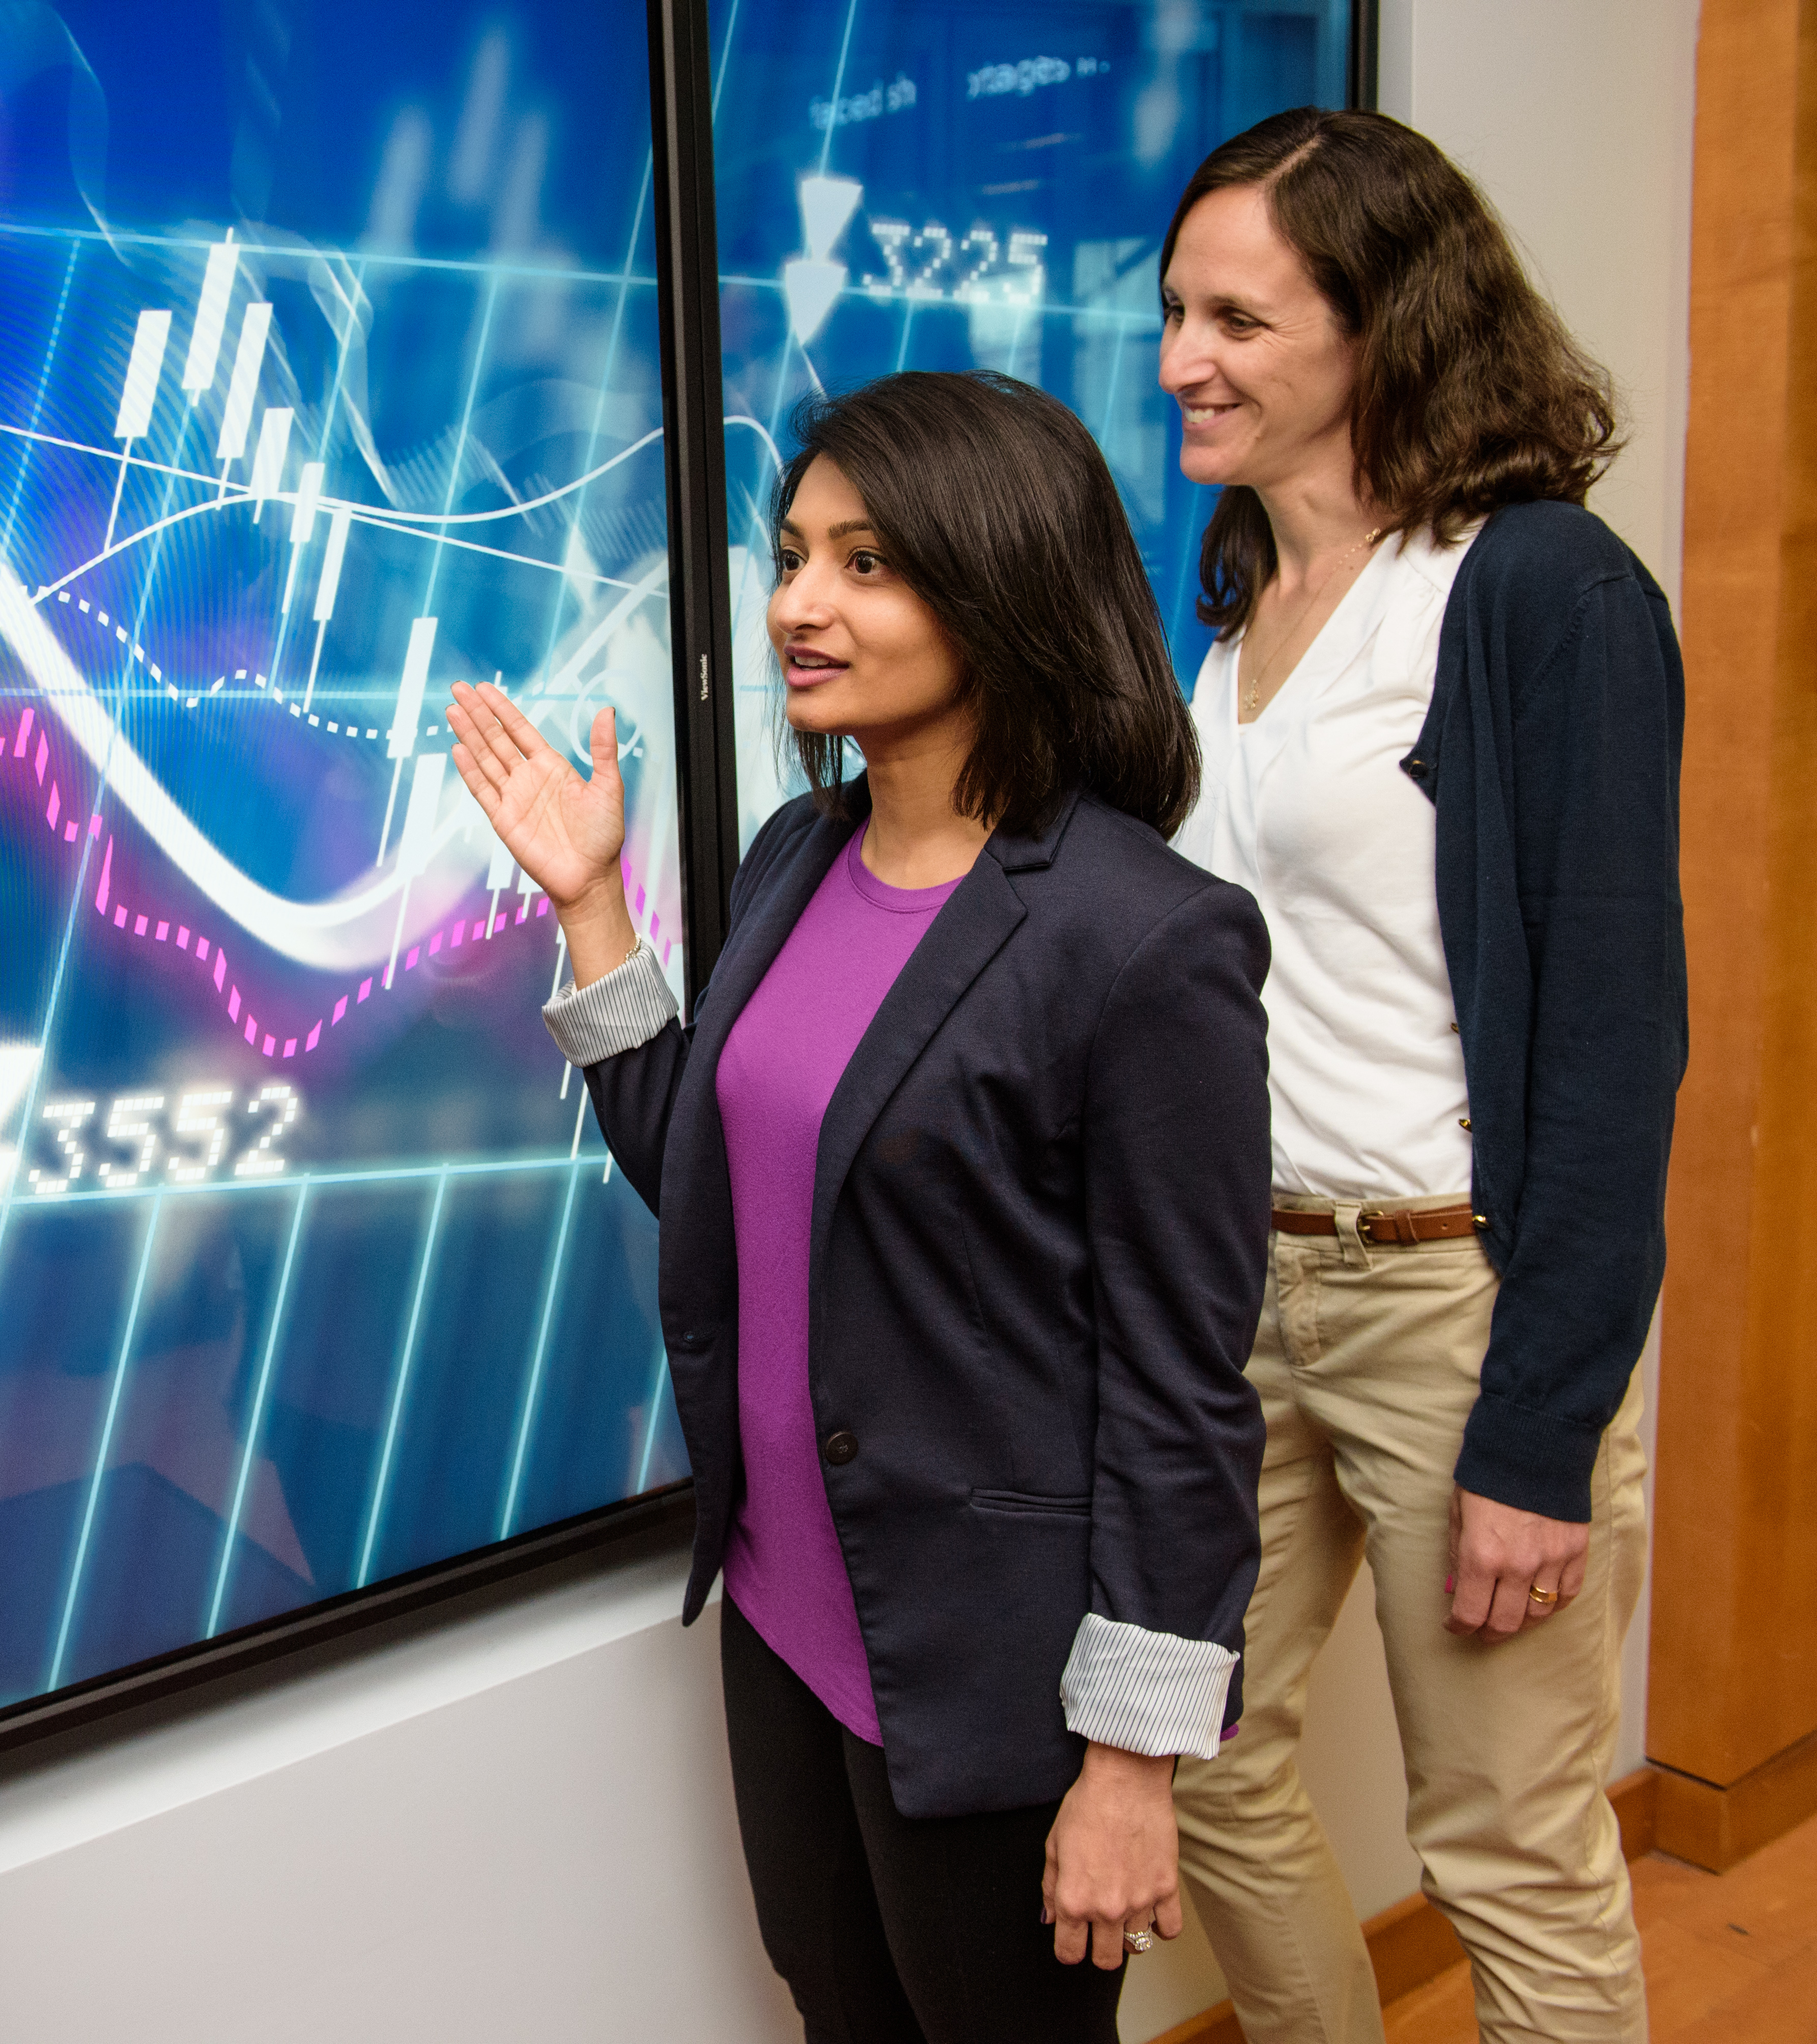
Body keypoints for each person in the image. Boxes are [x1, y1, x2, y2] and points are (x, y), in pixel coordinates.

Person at [445, 370, 1271, 2042]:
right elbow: (714, 1181)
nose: (798, 606)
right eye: (795, 556)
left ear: (1001, 576)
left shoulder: (1142, 937)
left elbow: (1184, 1392)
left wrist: (1134, 1763)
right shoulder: (796, 853)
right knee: (837, 2009)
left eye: (867, 562)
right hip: (784, 1620)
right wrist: (593, 907)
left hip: (993, 1677)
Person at [1154, 109, 1683, 2044]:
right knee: (1187, 1751)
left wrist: (1541, 1440)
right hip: (1240, 1297)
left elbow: (1617, 1046)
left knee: (1507, 1849)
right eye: (1174, 310)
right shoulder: (1236, 598)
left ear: (1385, 324)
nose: (1182, 360)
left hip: (1454, 1306)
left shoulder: (1541, 594)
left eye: (1237, 319)